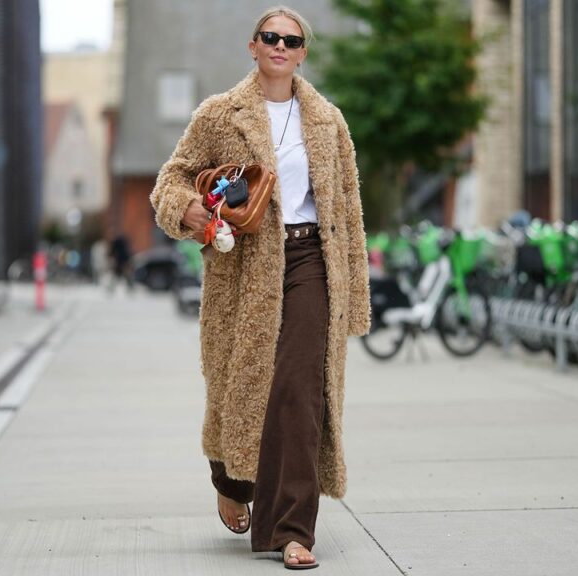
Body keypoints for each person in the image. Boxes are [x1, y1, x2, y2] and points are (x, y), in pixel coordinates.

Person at [149, 6, 370, 570]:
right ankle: (231, 480)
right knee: (242, 383)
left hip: (311, 259)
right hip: (244, 264)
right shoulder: (220, 114)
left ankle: (291, 531)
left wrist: (355, 294)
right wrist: (187, 209)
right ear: (253, 47)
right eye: (270, 37)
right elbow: (171, 179)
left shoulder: (328, 121)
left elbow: (348, 209)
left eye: (291, 41)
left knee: (300, 389)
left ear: (302, 53)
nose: (280, 46)